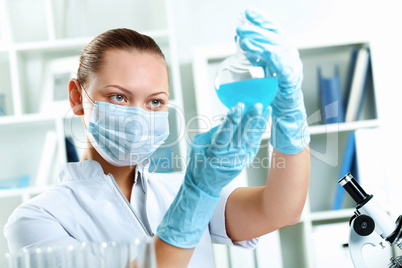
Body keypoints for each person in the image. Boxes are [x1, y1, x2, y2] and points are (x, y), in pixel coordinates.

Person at [4, 7, 310, 268]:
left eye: (155, 102)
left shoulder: (180, 189)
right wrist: (197, 196)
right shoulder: (36, 220)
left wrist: (291, 112)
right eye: (119, 97)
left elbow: (281, 209)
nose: (139, 117)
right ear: (76, 97)